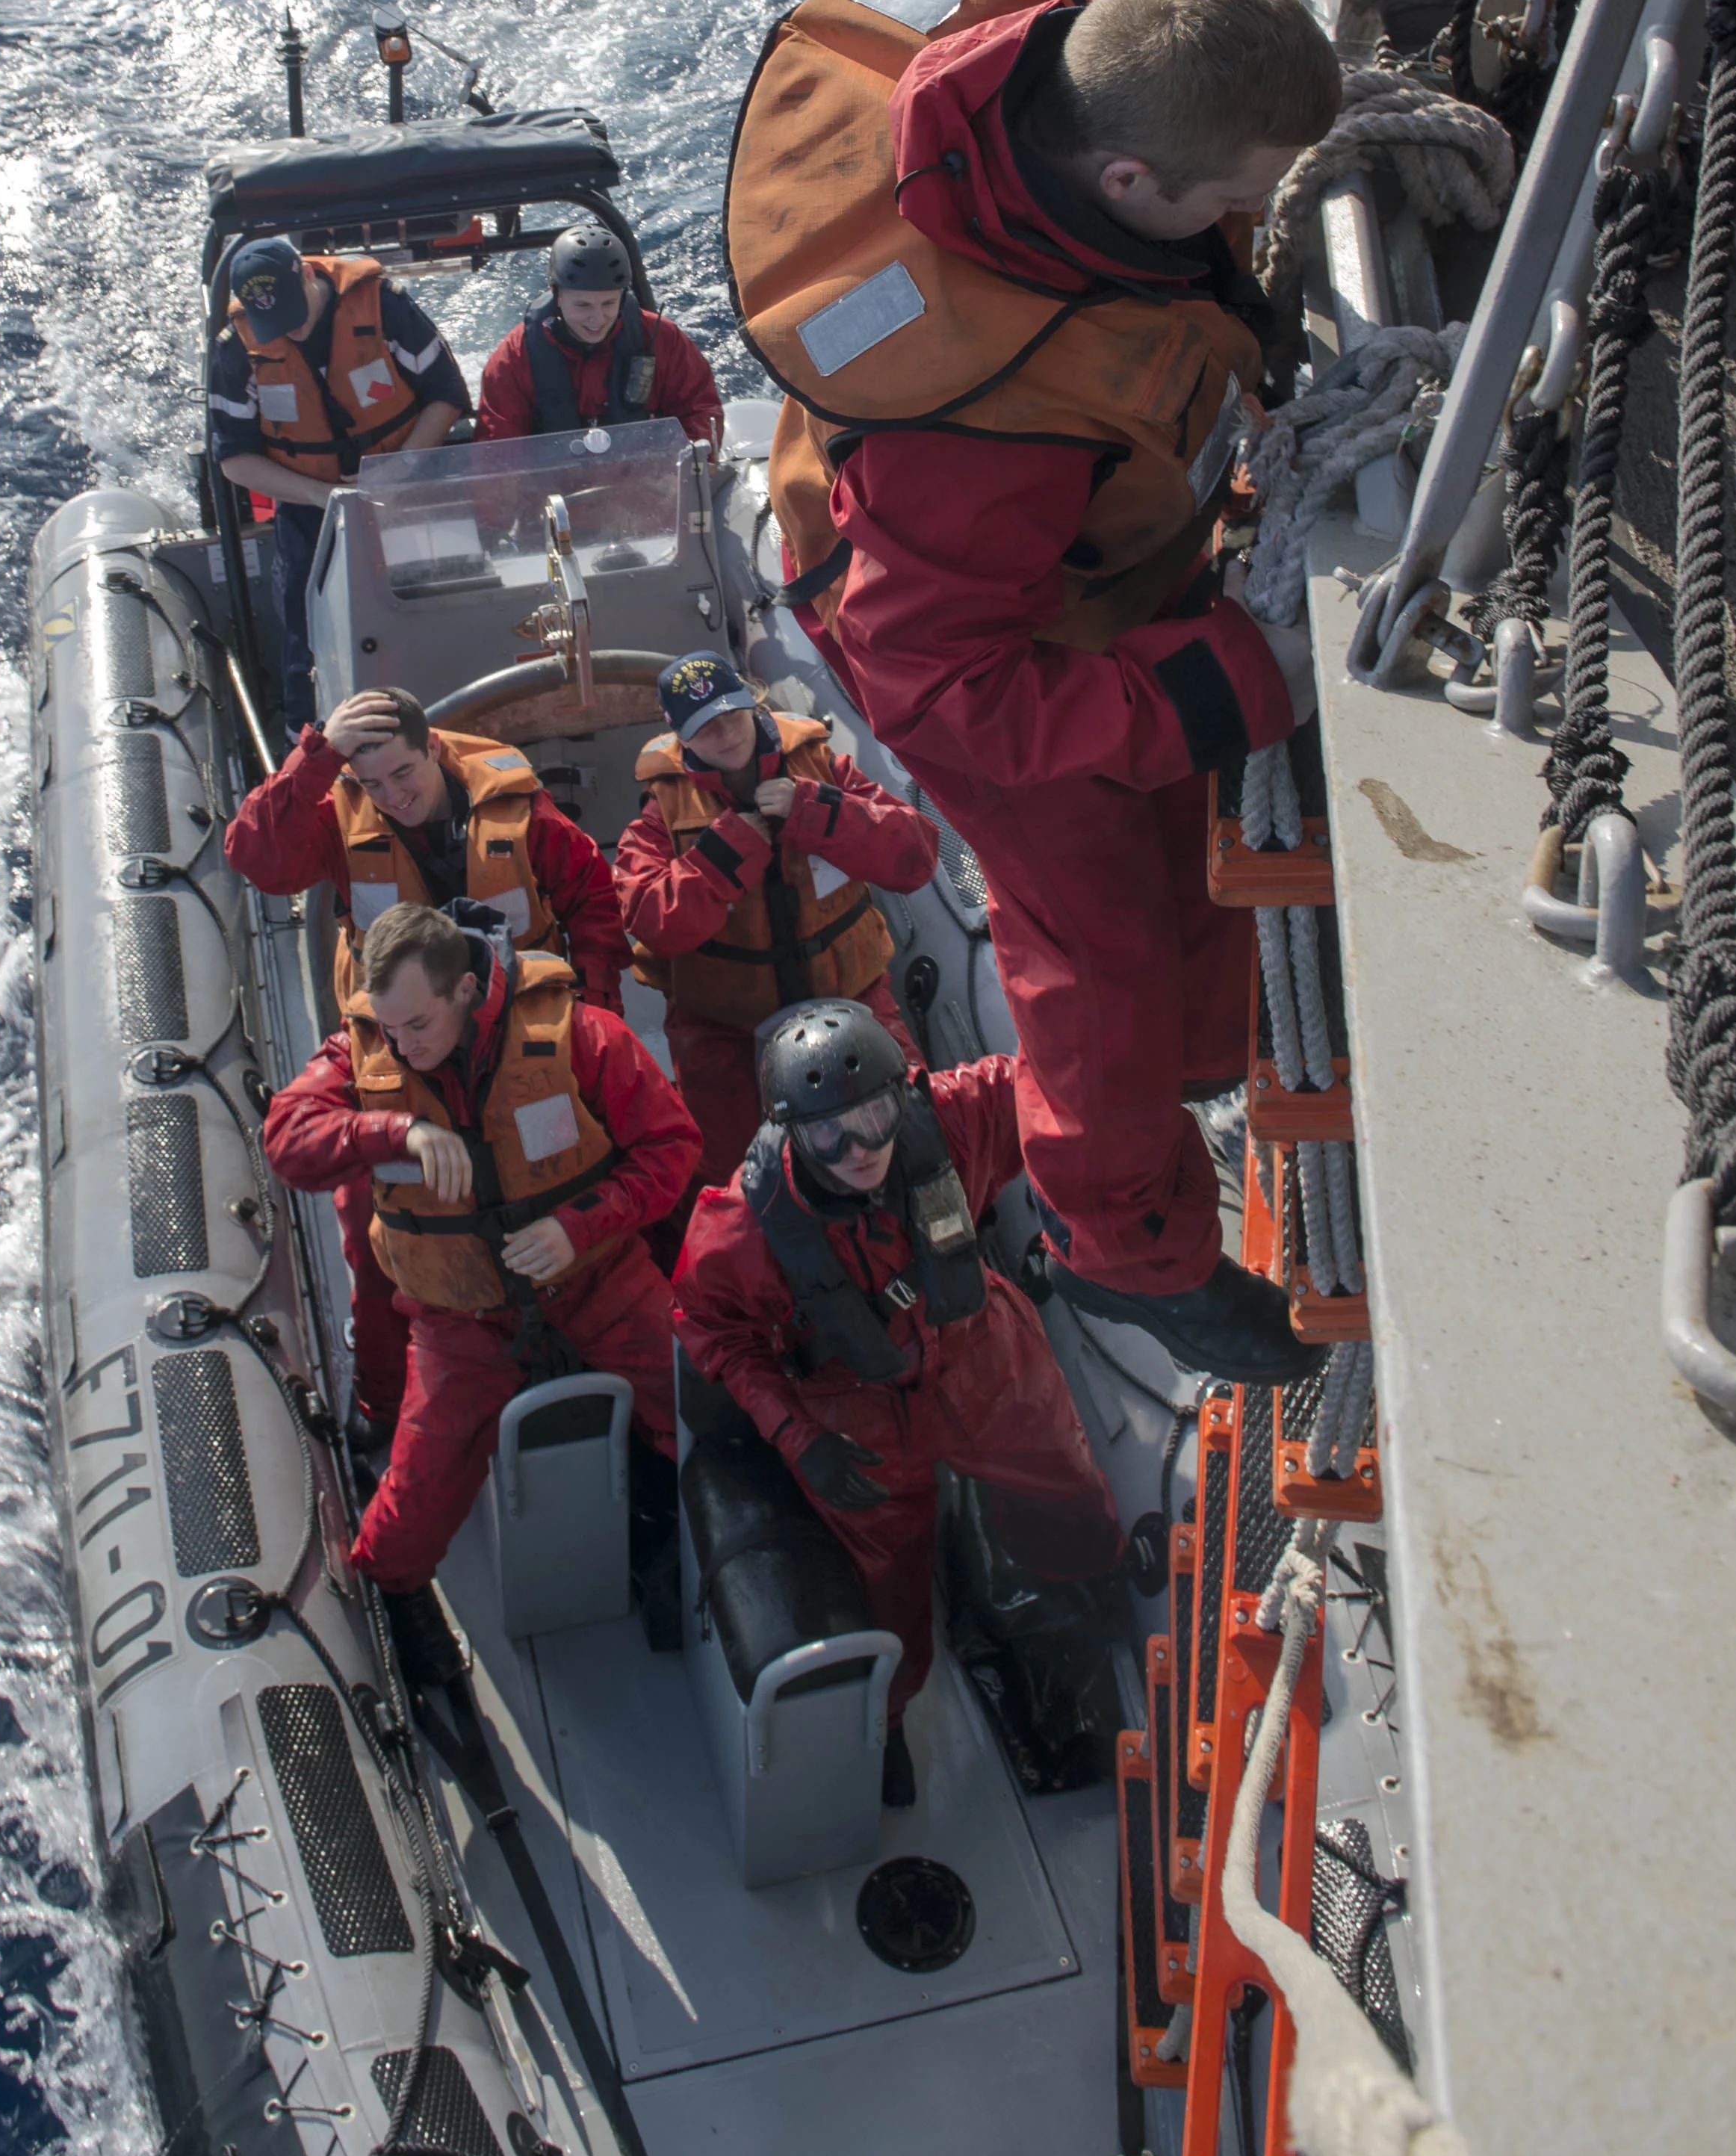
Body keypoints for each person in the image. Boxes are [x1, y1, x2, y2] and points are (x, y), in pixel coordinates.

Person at [725, 0, 1407, 1384]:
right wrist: (1234, 671)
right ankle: (1119, 1237)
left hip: (1085, 549)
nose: (1240, 232)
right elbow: (966, 701)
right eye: (1224, 210)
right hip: (947, 622)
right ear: (1128, 192)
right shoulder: (980, 425)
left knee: (1169, 890)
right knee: (1099, 942)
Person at [672, 999, 1125, 1809]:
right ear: (789, 1133)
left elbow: (1052, 1071)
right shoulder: (738, 1232)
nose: (861, 1149)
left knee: (1066, 1491)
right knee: (886, 1582)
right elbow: (712, 1331)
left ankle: (1085, 1621)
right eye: (828, 1134)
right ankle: (881, 1720)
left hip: (986, 1360)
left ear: (902, 1093)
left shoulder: (952, 1118)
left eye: (877, 1116)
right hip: (856, 1417)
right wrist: (795, 1434)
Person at [261, 899, 700, 1693]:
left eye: (418, 1025)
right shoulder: (370, 1051)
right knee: (412, 1505)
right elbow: (288, 1139)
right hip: (461, 1315)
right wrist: (394, 1133)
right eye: (390, 1028)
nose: (403, 1045)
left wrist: (579, 1224)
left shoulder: (578, 1035)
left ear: (466, 989)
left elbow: (672, 1146)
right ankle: (399, 1618)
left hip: (595, 1276)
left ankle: (691, 1544)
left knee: (705, 1415)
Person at [225, 687, 631, 1431]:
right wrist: (316, 755)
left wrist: (595, 1015)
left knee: (598, 1184)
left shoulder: (521, 815)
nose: (394, 796)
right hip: (396, 1050)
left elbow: (592, 902)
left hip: (522, 1038)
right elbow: (257, 857)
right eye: (373, 782)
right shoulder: (341, 818)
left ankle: (611, 1370)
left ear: (435, 749)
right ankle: (383, 1406)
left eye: (403, 774)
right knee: (379, 1237)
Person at [612, 651, 940, 1192]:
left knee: (916, 1138)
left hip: (854, 1000)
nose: (726, 734)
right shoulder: (660, 814)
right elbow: (652, 921)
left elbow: (916, 856)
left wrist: (817, 811)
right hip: (726, 1035)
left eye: (732, 714)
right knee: (738, 1183)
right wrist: (725, 853)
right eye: (706, 727)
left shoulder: (822, 767)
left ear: (752, 704)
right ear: (680, 739)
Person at [207, 233, 468, 728]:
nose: (293, 331)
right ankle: (306, 747)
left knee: (446, 610)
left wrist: (397, 473)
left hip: (410, 490)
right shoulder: (237, 348)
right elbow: (234, 459)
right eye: (276, 322)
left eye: (294, 312)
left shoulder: (383, 306)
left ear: (307, 274)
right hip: (312, 512)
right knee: (308, 639)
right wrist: (325, 497)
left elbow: (446, 395)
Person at [472, 226, 726, 450]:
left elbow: (700, 410)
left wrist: (687, 469)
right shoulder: (513, 359)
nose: (598, 318)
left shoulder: (664, 340)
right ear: (557, 296)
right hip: (553, 495)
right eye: (583, 305)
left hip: (650, 483)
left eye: (609, 303)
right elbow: (498, 451)